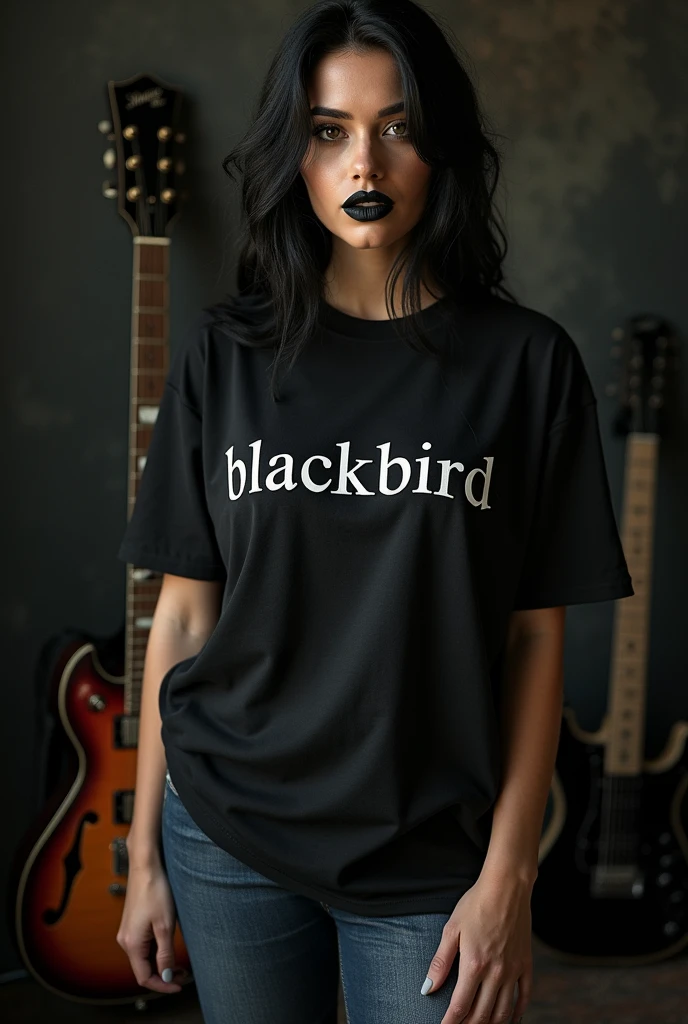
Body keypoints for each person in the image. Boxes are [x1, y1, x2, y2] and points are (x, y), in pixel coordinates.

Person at [115, 2, 634, 1022]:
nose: (365, 163)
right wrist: (140, 860)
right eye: (329, 130)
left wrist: (508, 877)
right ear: (293, 152)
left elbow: (537, 640)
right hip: (227, 832)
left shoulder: (525, 366)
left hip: (431, 852)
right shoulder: (228, 357)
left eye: (396, 127)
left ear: (438, 147)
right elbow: (181, 619)